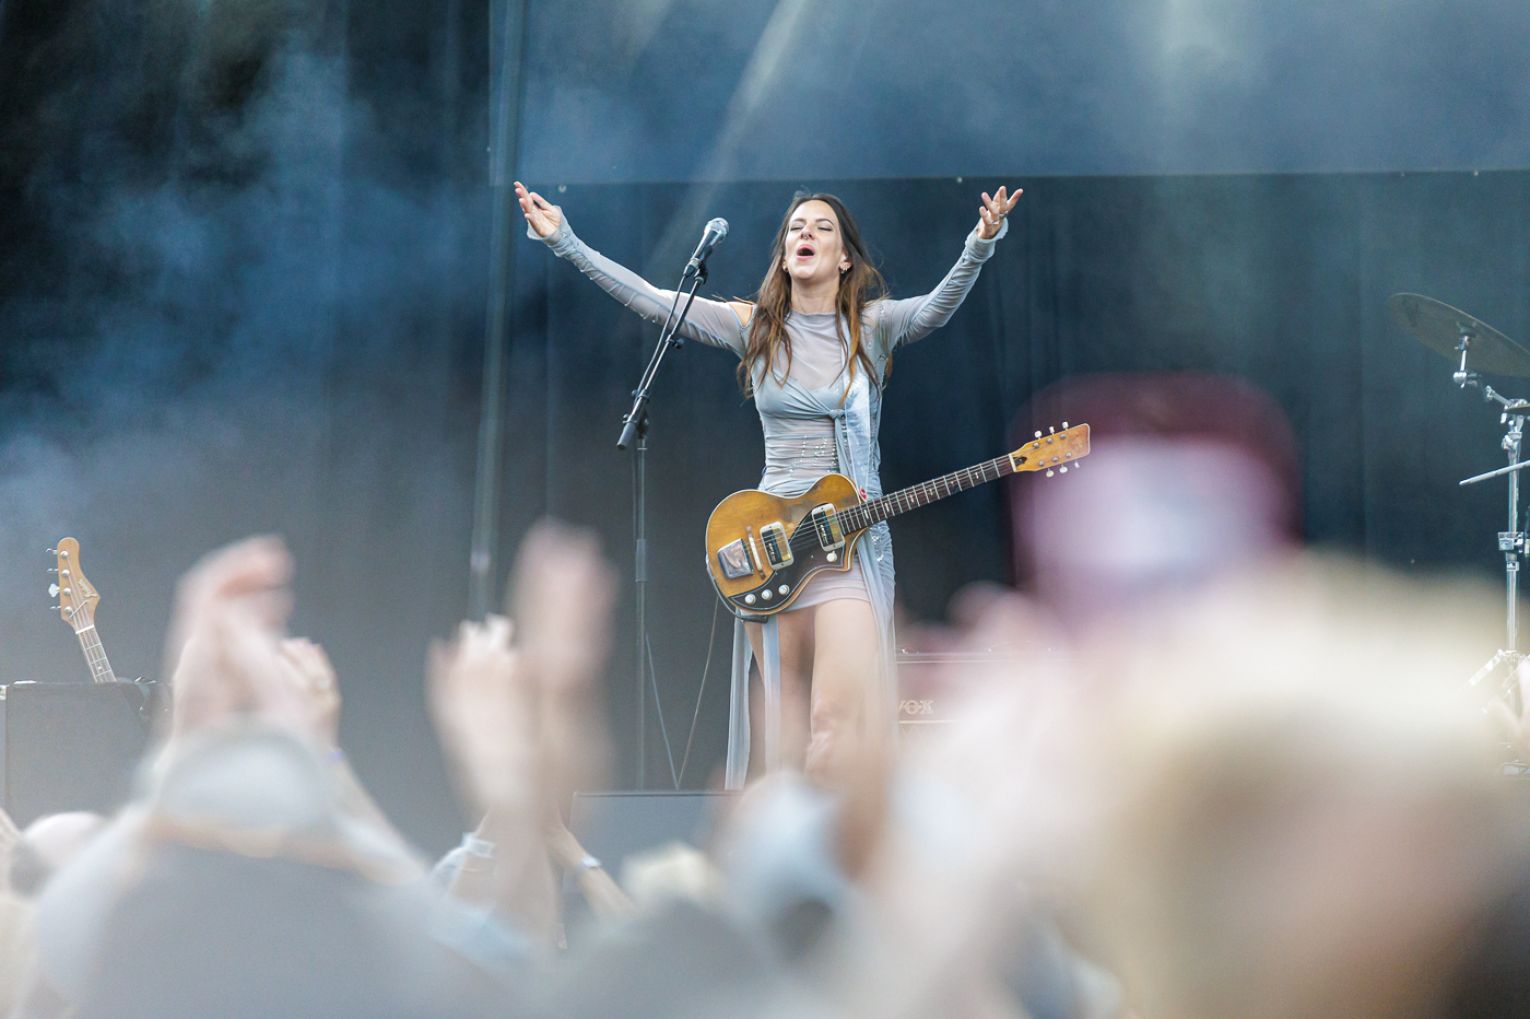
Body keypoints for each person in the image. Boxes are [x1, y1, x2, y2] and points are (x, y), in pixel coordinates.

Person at [516, 181, 1021, 786]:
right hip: (772, 540)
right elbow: (653, 300)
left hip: (852, 547)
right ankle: (781, 832)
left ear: (845, 259)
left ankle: (837, 836)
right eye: (796, 228)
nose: (805, 233)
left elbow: (936, 307)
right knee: (783, 730)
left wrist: (980, 242)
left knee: (833, 725)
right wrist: (566, 241)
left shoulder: (872, 327)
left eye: (822, 228)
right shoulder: (755, 327)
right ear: (784, 254)